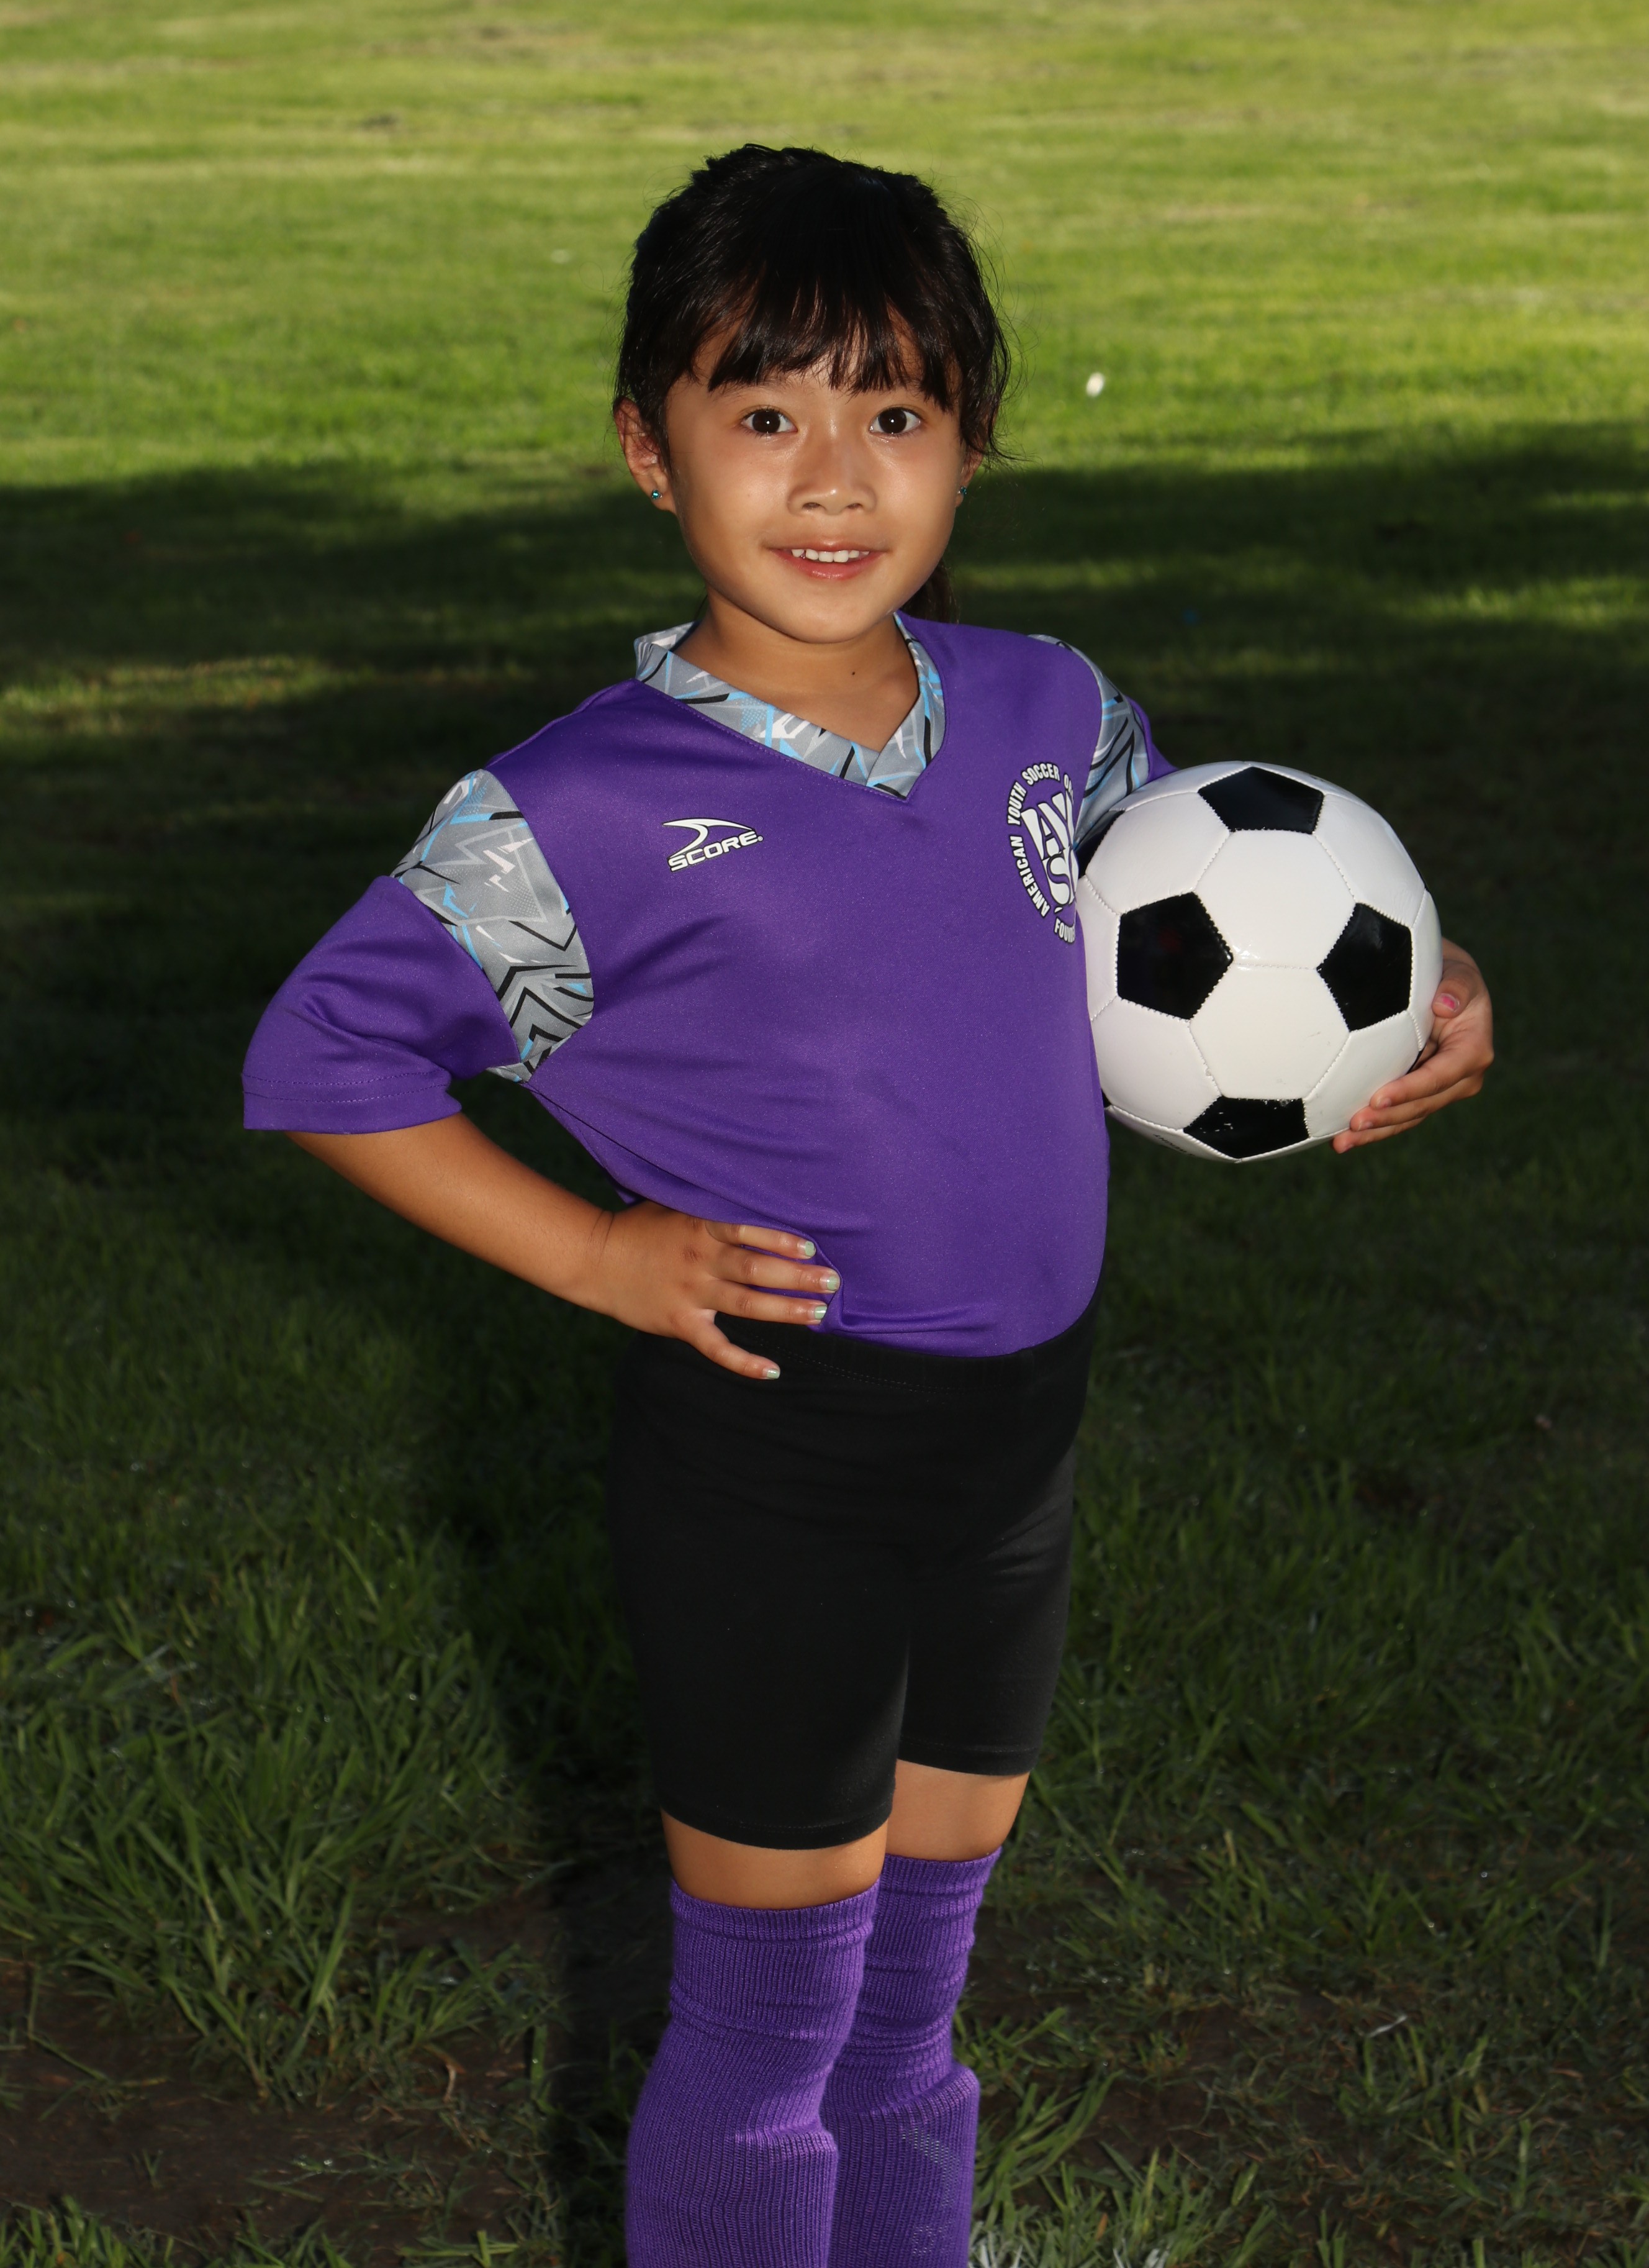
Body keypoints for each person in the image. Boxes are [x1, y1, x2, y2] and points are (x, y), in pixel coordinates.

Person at [242, 145, 1494, 2267]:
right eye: (764, 413)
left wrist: (1427, 989)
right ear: (649, 451)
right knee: (769, 2033)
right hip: (775, 1465)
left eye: (895, 412)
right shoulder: (583, 811)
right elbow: (326, 1057)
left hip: (1011, 1462)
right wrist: (596, 1252)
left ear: (972, 442)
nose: (833, 478)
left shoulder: (1050, 716)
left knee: (911, 2024)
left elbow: (1236, 923)